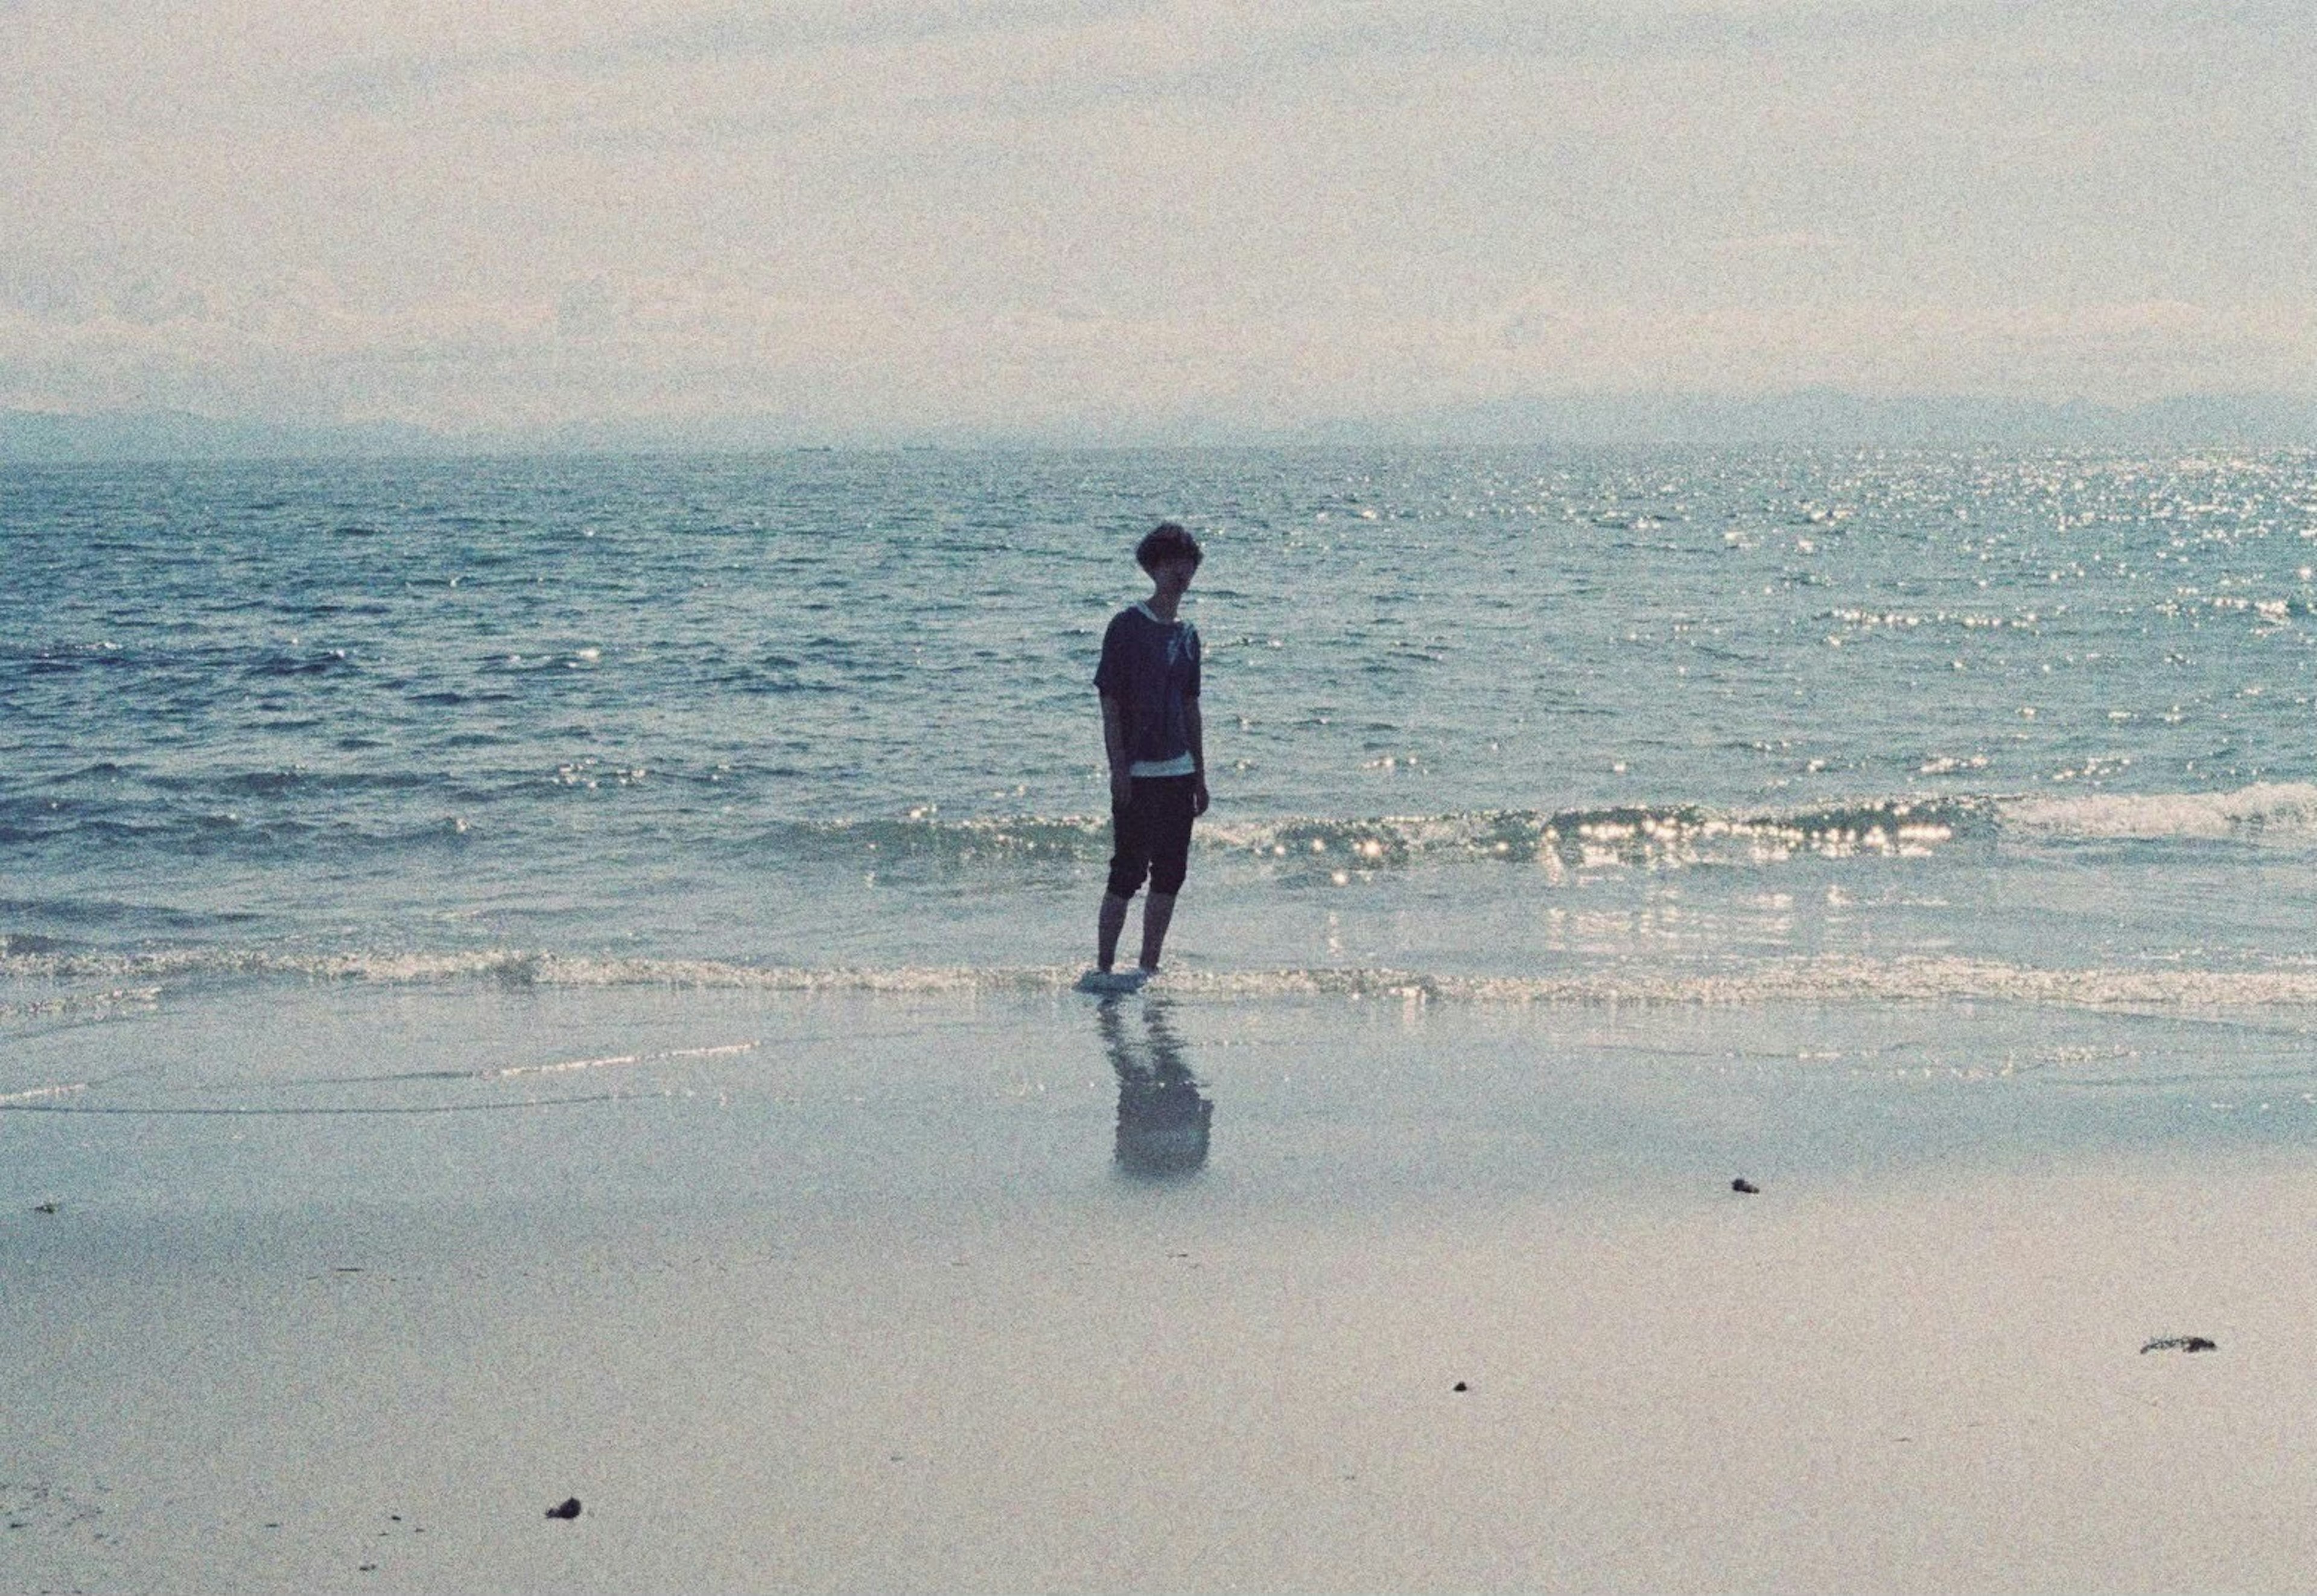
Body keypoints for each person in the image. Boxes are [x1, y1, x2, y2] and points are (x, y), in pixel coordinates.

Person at [1093, 522, 1209, 979]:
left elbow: (1191, 707)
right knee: (1126, 871)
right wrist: (1118, 767)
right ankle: (1103, 968)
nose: (1181, 573)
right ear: (1154, 567)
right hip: (1139, 772)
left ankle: (1148, 966)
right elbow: (1110, 703)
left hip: (1179, 772)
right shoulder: (1126, 626)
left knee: (1171, 875)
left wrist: (1200, 774)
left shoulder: (1188, 634)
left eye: (1188, 564)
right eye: (1172, 564)